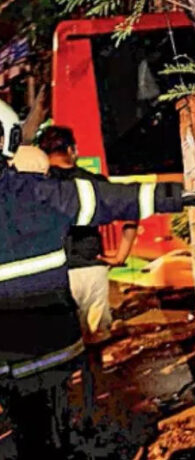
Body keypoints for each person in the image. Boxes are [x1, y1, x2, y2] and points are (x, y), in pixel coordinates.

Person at [0, 101, 195, 456]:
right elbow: (113, 199)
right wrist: (178, 196)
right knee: (49, 434)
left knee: (26, 431)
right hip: (48, 348)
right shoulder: (39, 192)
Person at [37, 125, 137, 341]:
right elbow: (132, 212)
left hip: (54, 272)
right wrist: (120, 256)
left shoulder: (34, 186)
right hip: (91, 270)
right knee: (97, 339)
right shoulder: (95, 182)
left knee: (62, 342)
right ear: (71, 150)